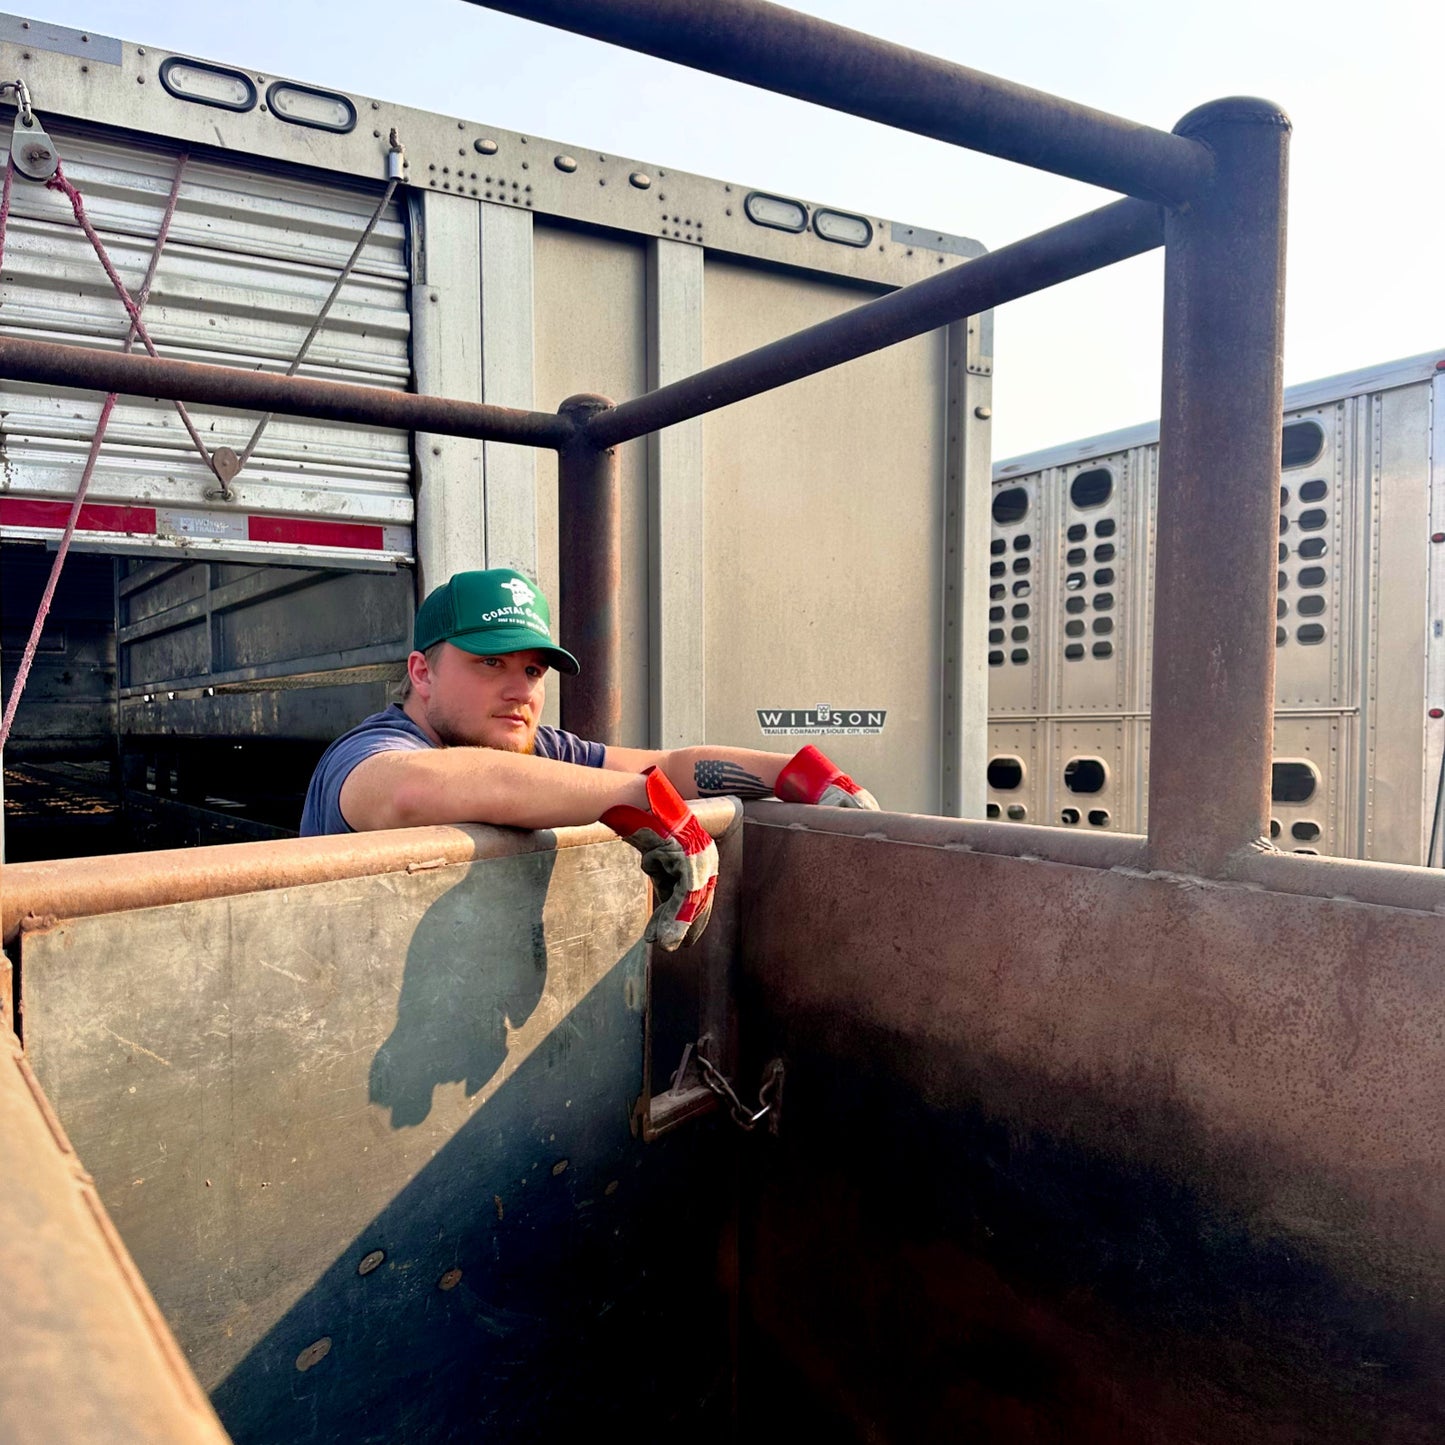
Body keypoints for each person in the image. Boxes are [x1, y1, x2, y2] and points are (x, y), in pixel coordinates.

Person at [301, 568, 878, 949]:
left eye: (532, 670)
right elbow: (408, 789)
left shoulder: (534, 748)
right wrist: (630, 801)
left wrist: (795, 774)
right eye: (489, 663)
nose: (520, 690)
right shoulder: (370, 751)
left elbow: (672, 764)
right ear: (422, 673)